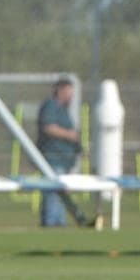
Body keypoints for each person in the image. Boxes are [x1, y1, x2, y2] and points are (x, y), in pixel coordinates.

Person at [35, 77, 81, 227]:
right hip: (53, 159)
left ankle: (59, 223)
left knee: (61, 192)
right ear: (59, 91)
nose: (71, 96)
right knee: (53, 192)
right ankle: (51, 224)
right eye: (68, 92)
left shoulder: (63, 109)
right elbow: (49, 127)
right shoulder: (51, 106)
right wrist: (69, 135)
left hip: (64, 160)